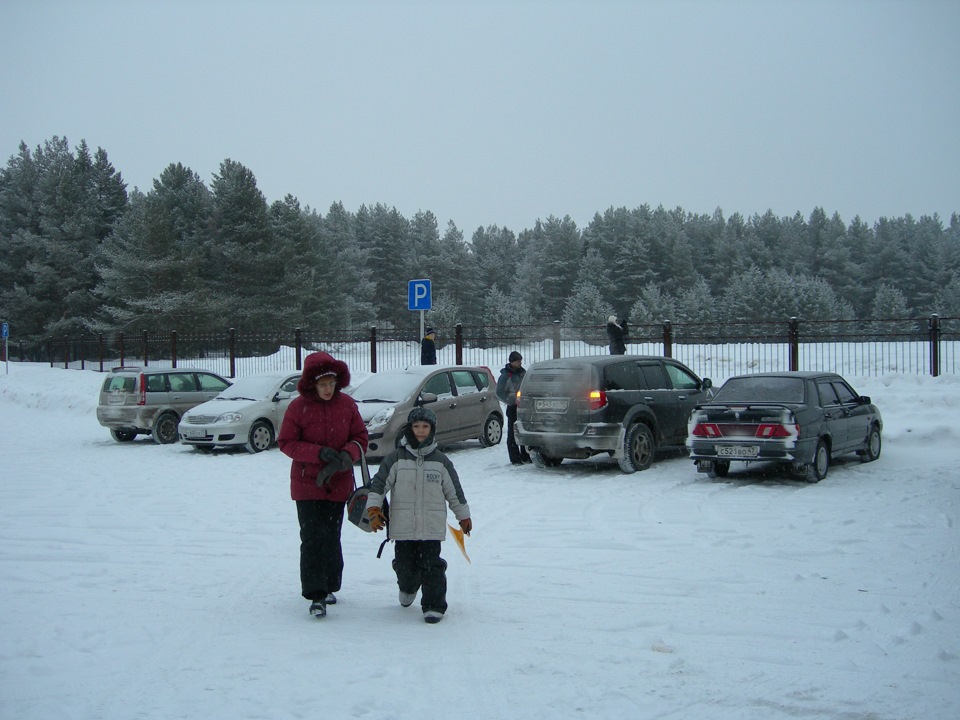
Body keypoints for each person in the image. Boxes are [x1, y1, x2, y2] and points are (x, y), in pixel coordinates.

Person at [277, 351, 368, 618]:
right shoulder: (297, 407)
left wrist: (346, 455)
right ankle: (315, 593)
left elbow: (361, 437)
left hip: (338, 483)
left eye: (331, 383)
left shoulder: (348, 405)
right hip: (307, 484)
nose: (328, 389)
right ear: (312, 384)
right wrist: (318, 453)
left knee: (331, 536)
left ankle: (330, 585)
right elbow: (286, 443)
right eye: (322, 384)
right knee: (312, 537)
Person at [365, 407, 472, 624]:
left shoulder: (441, 461)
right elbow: (378, 485)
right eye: (416, 427)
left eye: (425, 427)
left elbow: (455, 492)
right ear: (409, 429)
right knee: (406, 566)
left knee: (431, 565)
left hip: (431, 528)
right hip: (403, 528)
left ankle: (433, 605)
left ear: (432, 430)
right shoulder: (395, 459)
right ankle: (407, 586)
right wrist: (373, 509)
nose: (421, 431)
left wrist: (463, 516)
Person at [496, 350, 532, 465]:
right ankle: (515, 458)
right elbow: (499, 392)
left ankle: (525, 455)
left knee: (524, 430)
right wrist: (510, 401)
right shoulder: (506, 376)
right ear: (511, 362)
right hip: (513, 407)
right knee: (513, 433)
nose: (520, 363)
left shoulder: (523, 372)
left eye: (520, 361)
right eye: (517, 361)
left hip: (524, 406)